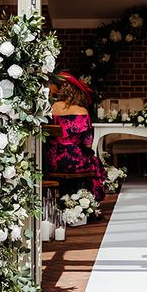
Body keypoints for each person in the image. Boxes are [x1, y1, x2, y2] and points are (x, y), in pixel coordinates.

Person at [47, 72, 106, 201]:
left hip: (51, 161)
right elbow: (87, 143)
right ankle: (81, 201)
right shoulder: (82, 112)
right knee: (95, 163)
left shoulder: (51, 109)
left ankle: (69, 202)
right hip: (74, 161)